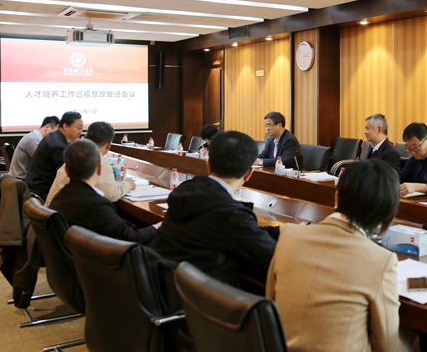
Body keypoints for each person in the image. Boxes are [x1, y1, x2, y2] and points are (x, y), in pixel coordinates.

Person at [267, 159, 419, 352]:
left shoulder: (289, 235)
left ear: (337, 197)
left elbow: (270, 304)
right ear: (388, 212)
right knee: (409, 341)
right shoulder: (381, 260)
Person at [151, 130, 279, 286]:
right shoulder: (231, 215)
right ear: (249, 174)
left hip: (161, 287)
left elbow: (243, 230)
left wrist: (283, 232)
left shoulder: (186, 191)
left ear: (208, 164)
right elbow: (274, 257)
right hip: (197, 297)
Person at [49, 139, 157, 245]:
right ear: (99, 169)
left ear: (66, 171)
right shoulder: (96, 206)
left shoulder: (58, 197)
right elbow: (133, 238)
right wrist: (159, 226)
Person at [45, 121, 136, 206]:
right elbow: (112, 194)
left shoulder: (75, 154)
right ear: (109, 144)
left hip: (52, 212)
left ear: (85, 137)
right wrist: (128, 184)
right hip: (68, 214)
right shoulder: (96, 160)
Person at [27, 111, 83, 201]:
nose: (81, 132)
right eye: (78, 128)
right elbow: (65, 175)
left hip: (36, 189)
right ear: (65, 126)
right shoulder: (57, 145)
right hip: (43, 193)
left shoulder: (54, 137)